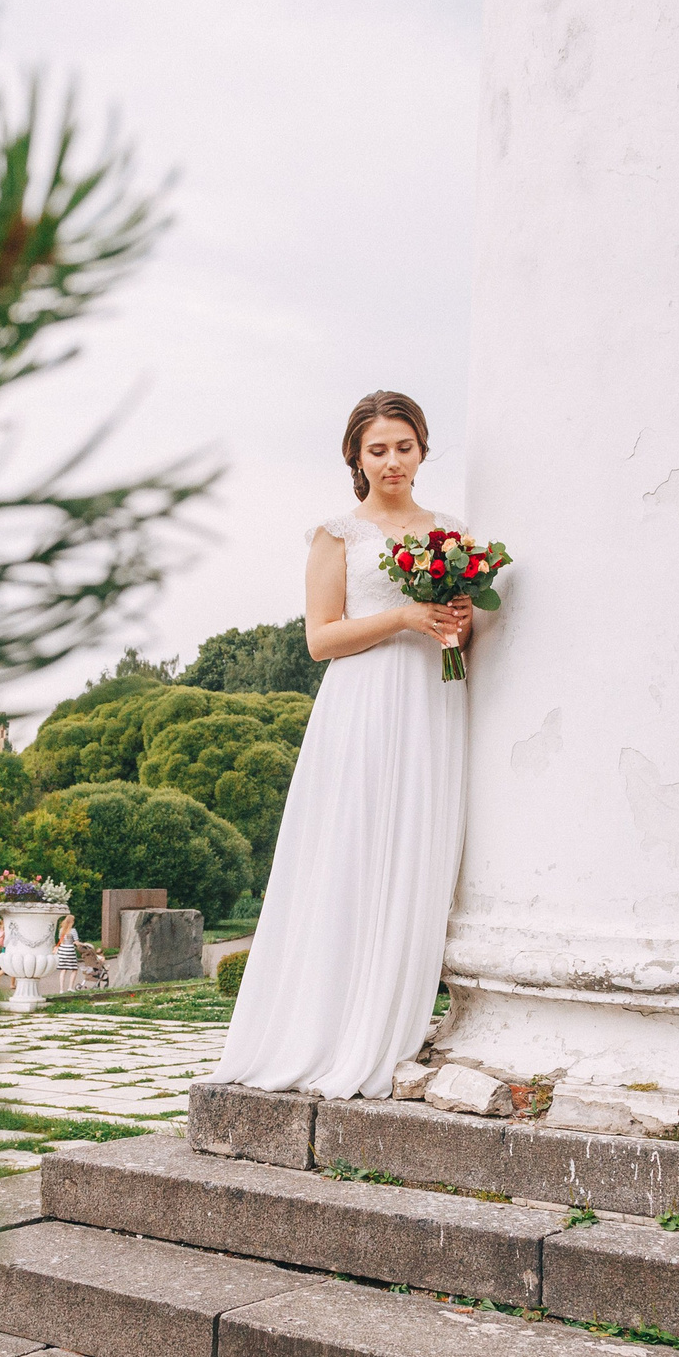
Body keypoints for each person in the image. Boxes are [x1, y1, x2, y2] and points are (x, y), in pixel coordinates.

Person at [212, 390, 472, 1099]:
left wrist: (454, 620)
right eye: (377, 449)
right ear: (356, 458)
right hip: (362, 705)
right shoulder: (338, 534)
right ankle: (328, 1026)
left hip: (433, 702)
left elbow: (457, 629)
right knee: (351, 850)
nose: (392, 460)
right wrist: (404, 617)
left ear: (422, 448)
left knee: (419, 849)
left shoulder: (450, 531)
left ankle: (395, 1017)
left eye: (404, 446)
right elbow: (320, 638)